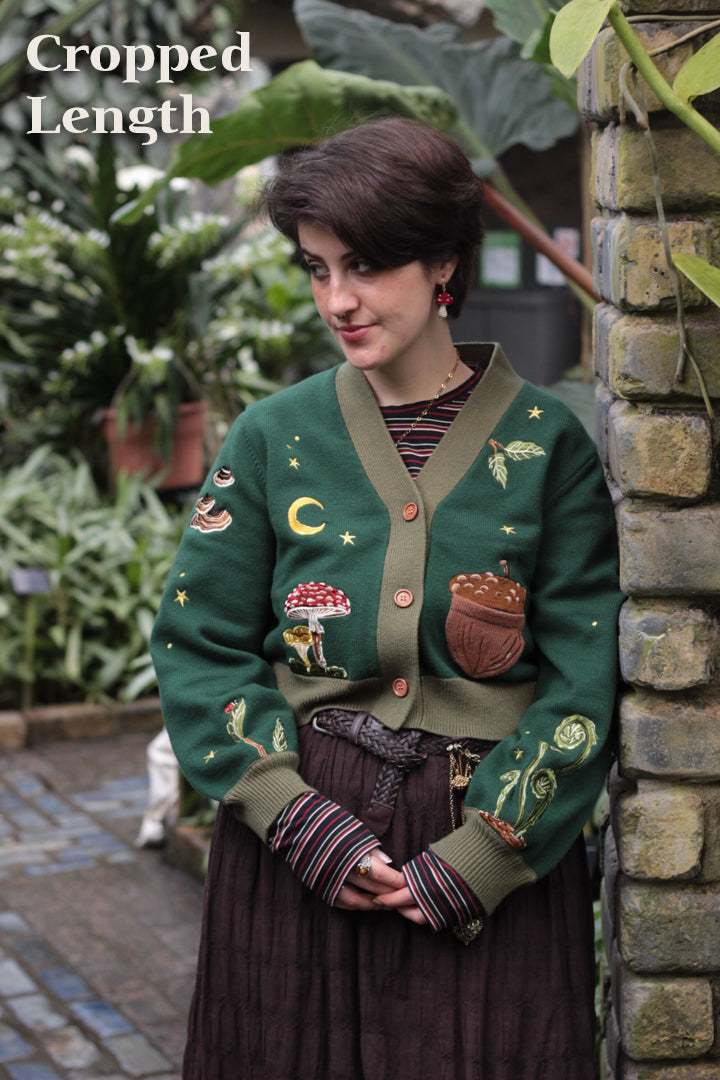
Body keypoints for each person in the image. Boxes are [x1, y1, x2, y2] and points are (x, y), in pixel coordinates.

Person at [150, 117, 622, 1080]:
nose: (338, 299)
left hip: (479, 850)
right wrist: (289, 813)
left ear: (444, 259)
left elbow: (582, 683)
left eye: (364, 266)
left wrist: (487, 854)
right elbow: (200, 643)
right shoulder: (274, 437)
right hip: (302, 840)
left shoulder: (548, 449)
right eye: (317, 267)